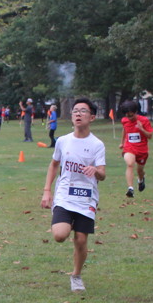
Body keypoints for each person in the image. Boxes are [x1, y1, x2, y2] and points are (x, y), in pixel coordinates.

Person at [41, 97, 107, 292]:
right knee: (59, 235)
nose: (78, 114)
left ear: (92, 117)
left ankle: (76, 276)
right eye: (75, 111)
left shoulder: (97, 144)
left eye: (83, 111)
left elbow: (103, 174)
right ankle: (66, 219)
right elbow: (54, 165)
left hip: (86, 197)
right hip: (64, 195)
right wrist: (47, 191)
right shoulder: (63, 141)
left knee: (81, 239)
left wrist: (95, 171)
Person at [119, 100, 152, 198]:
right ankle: (130, 188)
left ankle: (141, 179)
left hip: (142, 150)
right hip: (129, 147)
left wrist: (141, 129)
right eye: (127, 115)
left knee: (140, 170)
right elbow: (125, 129)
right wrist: (122, 142)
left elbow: (150, 136)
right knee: (130, 164)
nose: (129, 117)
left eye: (131, 115)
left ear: (136, 112)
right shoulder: (124, 120)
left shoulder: (144, 120)